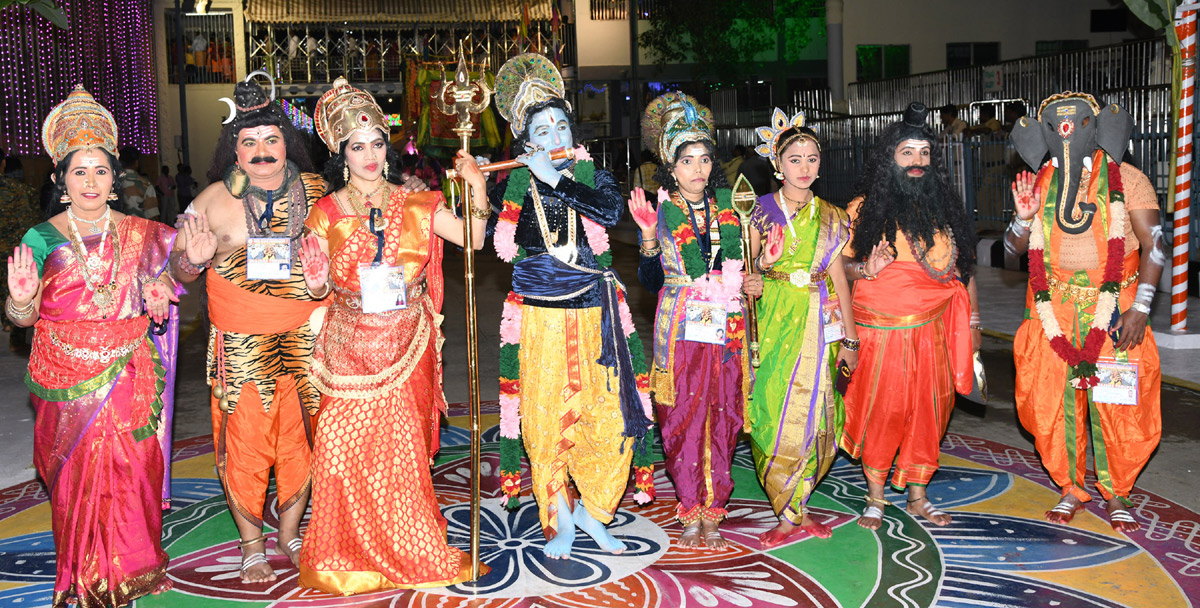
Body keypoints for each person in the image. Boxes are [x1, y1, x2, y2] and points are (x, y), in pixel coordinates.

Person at [296, 77, 486, 594]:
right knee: (338, 449)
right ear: (341, 153)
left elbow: (472, 237)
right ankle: (345, 553)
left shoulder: (416, 202)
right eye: (358, 147)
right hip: (345, 345)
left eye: (378, 143)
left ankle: (409, 545)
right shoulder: (326, 212)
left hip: (406, 339)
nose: (370, 156)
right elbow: (316, 289)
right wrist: (315, 279)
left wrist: (477, 188)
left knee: (400, 454)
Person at [7, 85, 179, 608]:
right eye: (79, 170)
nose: (90, 180)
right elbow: (24, 317)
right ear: (61, 180)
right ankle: (82, 573)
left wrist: (160, 293)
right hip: (65, 377)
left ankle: (137, 567)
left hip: (130, 368)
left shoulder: (143, 233)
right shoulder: (40, 238)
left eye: (100, 170)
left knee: (134, 469)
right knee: (77, 478)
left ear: (115, 179)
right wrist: (19, 302)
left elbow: (166, 289)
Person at [482, 53, 654, 560]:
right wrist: (477, 176)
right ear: (526, 139)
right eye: (543, 128)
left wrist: (556, 178)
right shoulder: (510, 186)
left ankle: (594, 514)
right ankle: (558, 521)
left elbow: (609, 211)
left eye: (561, 124)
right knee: (544, 421)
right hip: (539, 322)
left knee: (613, 422)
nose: (555, 134)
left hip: (597, 316)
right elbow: (492, 232)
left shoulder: (592, 177)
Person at [169, 73, 325, 584]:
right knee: (246, 441)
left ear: (288, 145)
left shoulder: (320, 194)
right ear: (233, 151)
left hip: (306, 335)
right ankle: (252, 543)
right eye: (249, 142)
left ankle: (291, 531)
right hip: (240, 343)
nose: (262, 151)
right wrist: (190, 264)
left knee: (302, 438)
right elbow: (176, 269)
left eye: (272, 140)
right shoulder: (210, 201)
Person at [1007, 92, 1163, 532]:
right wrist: (1022, 219)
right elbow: (1010, 250)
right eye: (1056, 126)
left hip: (1116, 311)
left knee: (1120, 403)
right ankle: (1070, 485)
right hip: (1052, 310)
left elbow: (1155, 246)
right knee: (1051, 402)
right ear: (1044, 135)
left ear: (1098, 128)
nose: (1067, 132)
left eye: (1077, 123)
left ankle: (1118, 492)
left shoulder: (1128, 179)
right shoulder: (1037, 183)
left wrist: (1142, 309)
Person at [840, 102, 980, 529]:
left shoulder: (944, 209)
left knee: (930, 412)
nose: (917, 161)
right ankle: (877, 496)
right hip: (880, 334)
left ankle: (919, 495)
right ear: (890, 160)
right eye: (907, 153)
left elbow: (964, 270)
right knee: (883, 413)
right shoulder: (862, 209)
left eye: (924, 153)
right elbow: (838, 267)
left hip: (934, 333)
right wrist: (867, 268)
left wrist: (973, 328)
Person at [632, 92, 746, 549]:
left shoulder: (730, 209)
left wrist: (749, 280)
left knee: (723, 414)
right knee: (682, 416)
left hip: (725, 327)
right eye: (686, 161)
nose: (697, 169)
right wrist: (645, 238)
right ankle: (689, 505)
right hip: (681, 328)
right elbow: (648, 280)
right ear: (670, 167)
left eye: (703, 159)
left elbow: (742, 265)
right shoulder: (662, 214)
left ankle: (713, 508)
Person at [742, 109, 860, 546]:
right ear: (777, 164)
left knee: (820, 416)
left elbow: (839, 280)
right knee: (773, 413)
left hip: (820, 320)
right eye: (795, 159)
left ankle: (797, 509)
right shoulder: (758, 212)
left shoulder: (832, 216)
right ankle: (785, 504)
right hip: (774, 319)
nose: (805, 167)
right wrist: (754, 276)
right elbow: (746, 273)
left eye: (813, 158)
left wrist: (851, 338)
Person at [0, 147, 40, 354]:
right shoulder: (18, 190)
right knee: (16, 290)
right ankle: (15, 338)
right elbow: (28, 223)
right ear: (3, 164)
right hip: (11, 253)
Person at [118, 146, 158, 219]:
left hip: (116, 228)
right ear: (137, 162)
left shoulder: (112, 182)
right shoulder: (145, 184)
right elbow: (153, 215)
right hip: (139, 228)